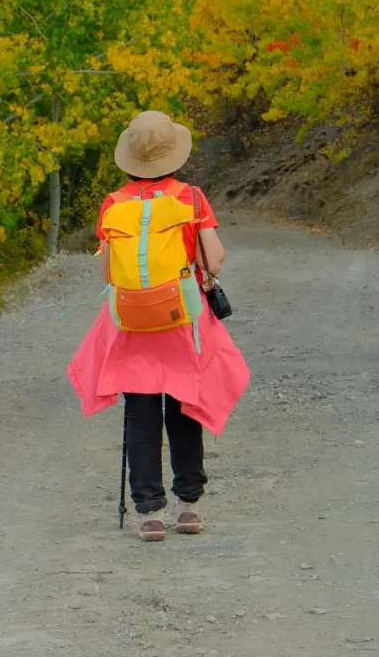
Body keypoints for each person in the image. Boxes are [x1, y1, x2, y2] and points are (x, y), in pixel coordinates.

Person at [67, 109, 250, 542]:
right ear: (174, 155)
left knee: (141, 412)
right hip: (179, 317)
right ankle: (189, 506)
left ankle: (149, 513)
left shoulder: (114, 203)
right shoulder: (191, 198)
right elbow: (215, 258)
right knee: (184, 406)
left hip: (132, 320)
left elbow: (109, 271)